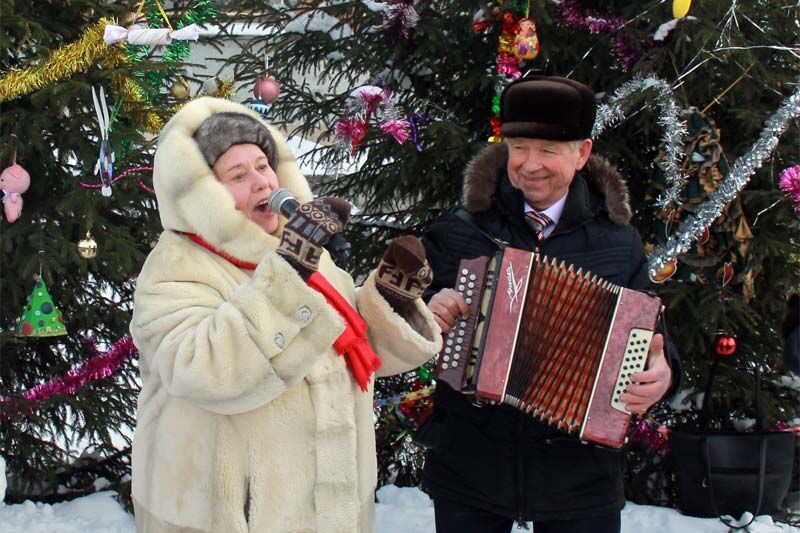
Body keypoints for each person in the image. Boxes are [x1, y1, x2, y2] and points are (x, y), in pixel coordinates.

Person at [129, 97, 442, 533]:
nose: (261, 183)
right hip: (230, 517)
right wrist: (290, 272)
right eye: (237, 175)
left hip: (330, 512)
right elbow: (202, 370)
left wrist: (391, 297)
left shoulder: (296, 253)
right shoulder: (176, 267)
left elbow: (351, 354)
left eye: (263, 165)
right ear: (205, 197)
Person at [417, 76, 681, 533]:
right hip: (471, 471)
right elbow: (403, 316)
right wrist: (427, 310)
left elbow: (656, 341)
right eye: (519, 147)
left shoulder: (618, 243)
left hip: (581, 482)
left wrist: (663, 376)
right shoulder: (459, 231)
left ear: (581, 154)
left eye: (549, 150)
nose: (530, 165)